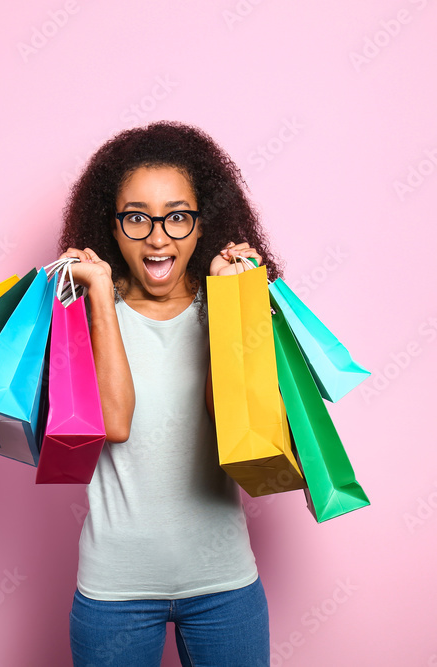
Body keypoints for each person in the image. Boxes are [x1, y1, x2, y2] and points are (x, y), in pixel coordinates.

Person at [56, 120, 283, 667]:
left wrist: (233, 304)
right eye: (138, 218)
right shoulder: (76, 313)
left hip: (225, 584)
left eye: (177, 217)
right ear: (111, 227)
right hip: (115, 591)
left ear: (203, 225)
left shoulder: (233, 303)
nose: (159, 238)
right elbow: (113, 422)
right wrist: (102, 295)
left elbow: (231, 417)